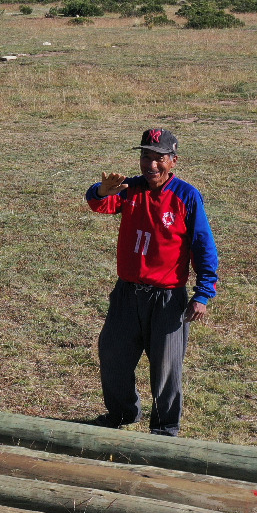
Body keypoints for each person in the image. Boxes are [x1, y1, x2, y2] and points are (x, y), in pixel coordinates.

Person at [85, 128, 218, 436]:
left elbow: (203, 247)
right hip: (127, 293)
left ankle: (165, 429)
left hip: (168, 298)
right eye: (145, 157)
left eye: (159, 159)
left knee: (166, 370)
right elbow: (98, 203)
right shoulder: (129, 188)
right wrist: (102, 190)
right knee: (113, 356)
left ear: (173, 162)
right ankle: (122, 413)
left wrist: (203, 293)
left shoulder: (186, 195)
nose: (151, 165)